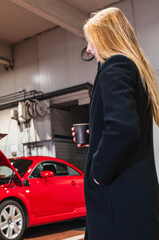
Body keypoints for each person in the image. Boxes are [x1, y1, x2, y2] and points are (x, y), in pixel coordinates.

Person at [72, 7, 159, 240]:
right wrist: (96, 135)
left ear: (105, 39)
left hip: (117, 199)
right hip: (135, 197)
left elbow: (123, 128)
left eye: (91, 41)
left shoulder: (115, 66)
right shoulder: (133, 68)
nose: (89, 49)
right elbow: (126, 124)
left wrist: (97, 172)